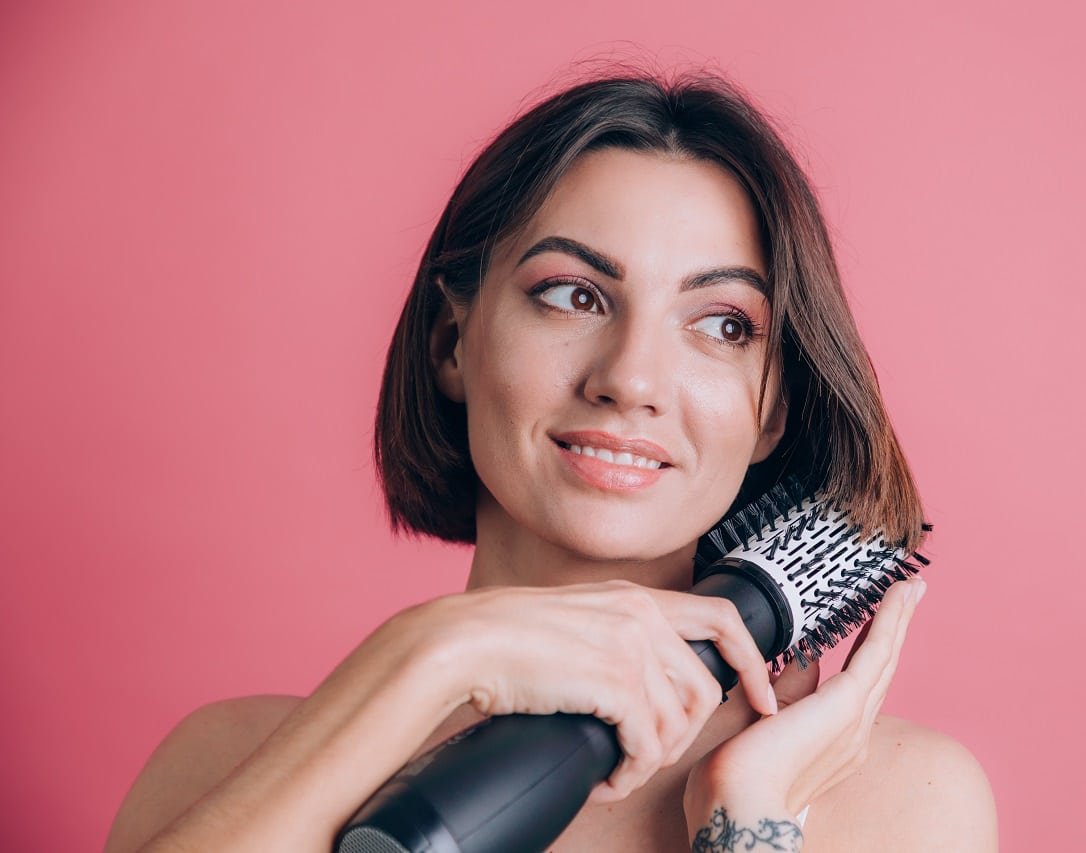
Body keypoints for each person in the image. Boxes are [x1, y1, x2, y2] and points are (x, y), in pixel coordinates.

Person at [104, 66, 998, 852]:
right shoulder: (227, 767)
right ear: (454, 341)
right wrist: (434, 653)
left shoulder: (901, 803)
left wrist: (747, 820)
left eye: (725, 324)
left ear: (773, 413)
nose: (632, 378)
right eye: (572, 295)